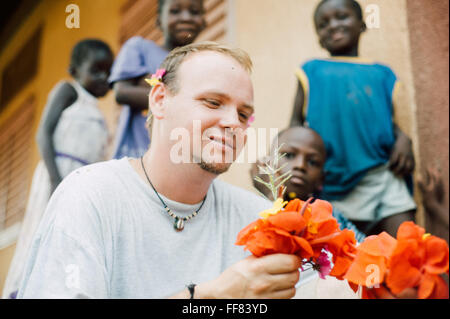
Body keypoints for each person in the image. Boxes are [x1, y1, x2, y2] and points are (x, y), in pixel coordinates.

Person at [17, 42, 305, 299]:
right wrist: (209, 298)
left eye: (243, 114)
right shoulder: (88, 196)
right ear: (159, 100)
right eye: (213, 102)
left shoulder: (258, 215)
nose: (234, 123)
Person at [289, 0, 416, 236]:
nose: (333, 26)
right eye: (323, 24)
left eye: (342, 17)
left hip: (382, 178)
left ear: (363, 24)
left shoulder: (383, 74)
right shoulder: (311, 70)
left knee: (407, 249)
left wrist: (403, 139)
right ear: (318, 37)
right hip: (331, 183)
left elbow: (387, 122)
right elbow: (295, 125)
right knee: (342, 260)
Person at [2, 39, 113, 299]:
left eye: (108, 71)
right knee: (41, 230)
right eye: (96, 70)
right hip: (58, 173)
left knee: (70, 237)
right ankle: (21, 290)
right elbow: (43, 134)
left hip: (81, 184)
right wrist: (55, 180)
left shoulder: (99, 114)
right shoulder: (68, 91)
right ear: (74, 70)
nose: (104, 77)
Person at [109, 0, 206, 159]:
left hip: (179, 160)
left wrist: (154, 88)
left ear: (204, 22)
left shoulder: (203, 66)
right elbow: (122, 92)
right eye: (175, 11)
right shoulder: (139, 47)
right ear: (159, 21)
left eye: (194, 12)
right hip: (137, 155)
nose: (186, 17)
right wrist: (184, 101)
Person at [250, 126, 366, 243]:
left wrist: (274, 196)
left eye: (312, 162)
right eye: (289, 155)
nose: (300, 165)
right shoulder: (247, 208)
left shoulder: (332, 219)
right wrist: (271, 196)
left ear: (321, 178)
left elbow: (363, 250)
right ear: (268, 163)